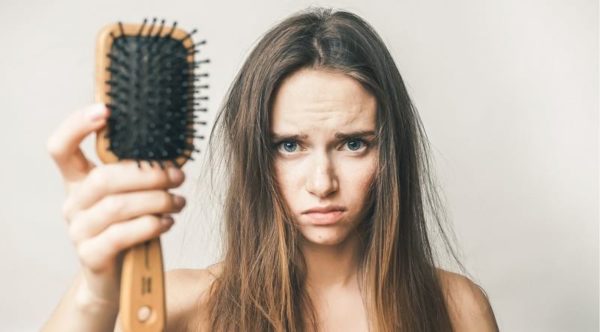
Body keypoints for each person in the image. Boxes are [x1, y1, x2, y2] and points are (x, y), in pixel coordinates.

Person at [42, 7, 499, 332]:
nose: (322, 183)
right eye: (289, 145)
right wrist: (96, 290)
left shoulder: (457, 309)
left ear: (391, 154)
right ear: (254, 154)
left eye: (353, 144)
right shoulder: (176, 308)